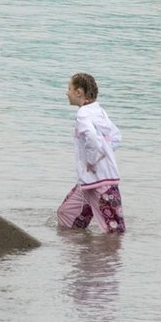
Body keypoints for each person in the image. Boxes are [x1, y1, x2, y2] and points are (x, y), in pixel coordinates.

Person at [57, 72, 126, 233]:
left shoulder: (82, 114)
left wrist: (93, 160)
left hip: (100, 182)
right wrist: (104, 155)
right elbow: (116, 137)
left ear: (79, 92)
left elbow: (93, 139)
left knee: (114, 231)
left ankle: (108, 257)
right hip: (89, 182)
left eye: (69, 89)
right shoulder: (99, 111)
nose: (67, 92)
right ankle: (83, 251)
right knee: (66, 213)